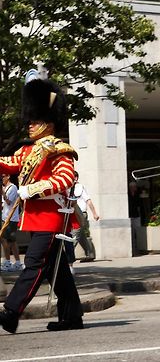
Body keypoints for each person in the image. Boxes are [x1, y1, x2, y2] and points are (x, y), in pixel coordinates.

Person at [0, 77, 83, 334]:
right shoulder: (29, 150)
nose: (30, 125)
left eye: (34, 121)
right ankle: (72, 317)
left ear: (48, 123)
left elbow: (65, 179)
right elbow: (9, 163)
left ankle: (12, 311)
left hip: (51, 217)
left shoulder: (60, 150)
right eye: (30, 120)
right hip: (36, 218)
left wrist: (32, 189)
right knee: (55, 270)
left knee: (34, 264)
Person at [71, 171, 99, 262]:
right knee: (82, 236)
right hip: (73, 214)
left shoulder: (80, 187)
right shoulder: (69, 188)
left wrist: (94, 213)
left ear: (75, 178)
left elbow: (88, 200)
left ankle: (68, 257)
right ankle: (90, 254)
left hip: (81, 214)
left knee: (75, 235)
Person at [1, 174, 23, 272]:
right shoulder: (5, 188)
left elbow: (9, 202)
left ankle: (7, 262)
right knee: (12, 241)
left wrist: (2, 193)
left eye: (3, 176)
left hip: (10, 218)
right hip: (6, 217)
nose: (2, 178)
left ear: (8, 176)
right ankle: (17, 262)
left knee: (4, 239)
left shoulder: (13, 188)